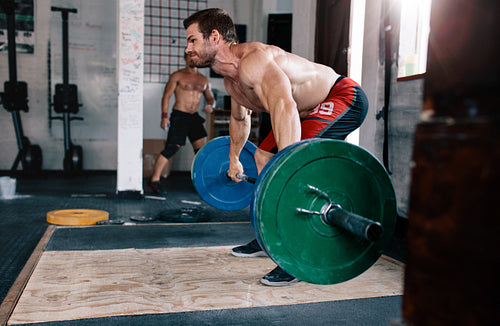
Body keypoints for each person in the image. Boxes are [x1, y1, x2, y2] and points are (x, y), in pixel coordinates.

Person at [183, 8, 369, 286]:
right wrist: (234, 157)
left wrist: (290, 168)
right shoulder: (231, 80)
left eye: (192, 40)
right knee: (260, 155)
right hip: (305, 110)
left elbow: (284, 105)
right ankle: (269, 234)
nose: (188, 49)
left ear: (215, 37)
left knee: (291, 170)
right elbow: (239, 118)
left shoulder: (254, 61)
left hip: (342, 96)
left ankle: (295, 254)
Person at [147, 53, 215, 195]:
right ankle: (154, 181)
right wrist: (164, 117)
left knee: (201, 150)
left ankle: (200, 182)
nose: (193, 59)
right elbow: (166, 96)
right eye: (190, 56)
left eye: (196, 56)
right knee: (171, 148)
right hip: (180, 115)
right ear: (185, 59)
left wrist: (211, 105)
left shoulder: (204, 80)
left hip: (194, 117)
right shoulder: (177, 76)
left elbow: (211, 98)